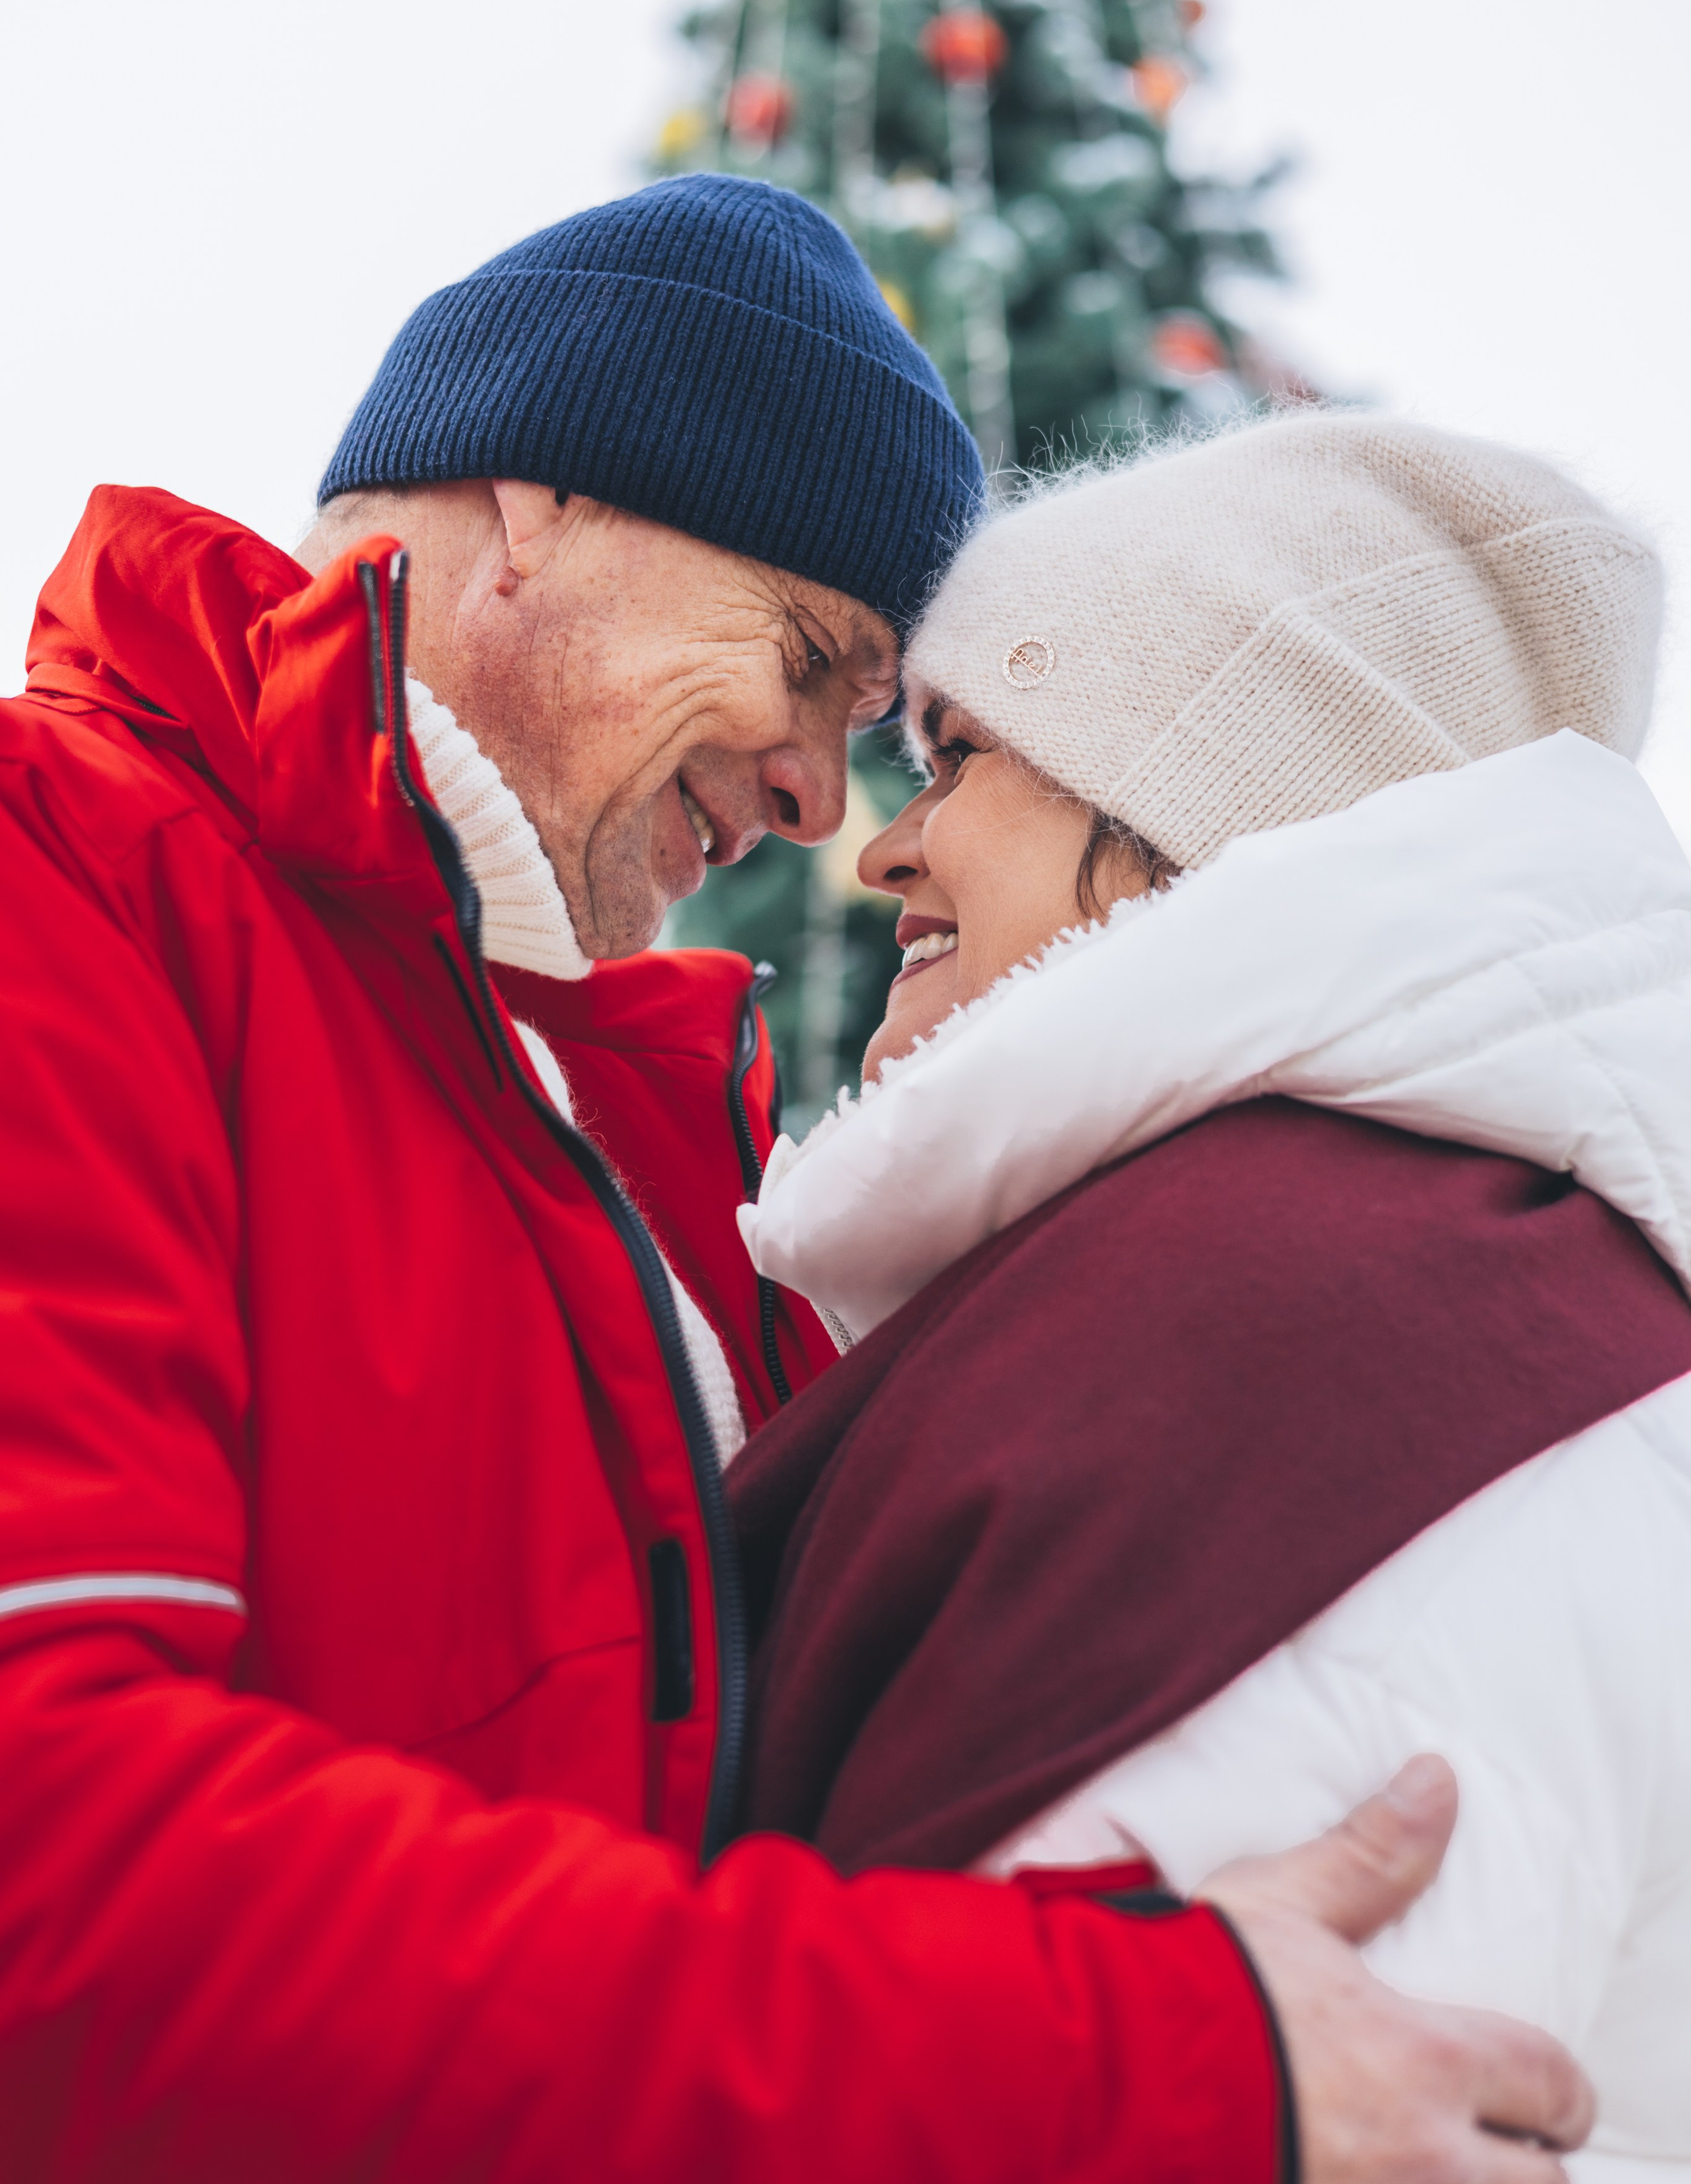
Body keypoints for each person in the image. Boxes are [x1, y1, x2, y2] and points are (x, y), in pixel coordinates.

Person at [0, 181, 1589, 2181]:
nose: (824, 815)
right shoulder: (59, 893)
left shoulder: (667, 1164)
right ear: (544, 502)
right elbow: (44, 1886)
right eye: (817, 664)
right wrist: (1108, 2058)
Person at [735, 409, 1691, 2177]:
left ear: (1195, 803)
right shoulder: (1474, 1279)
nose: (884, 848)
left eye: (961, 758)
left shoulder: (1285, 1328)